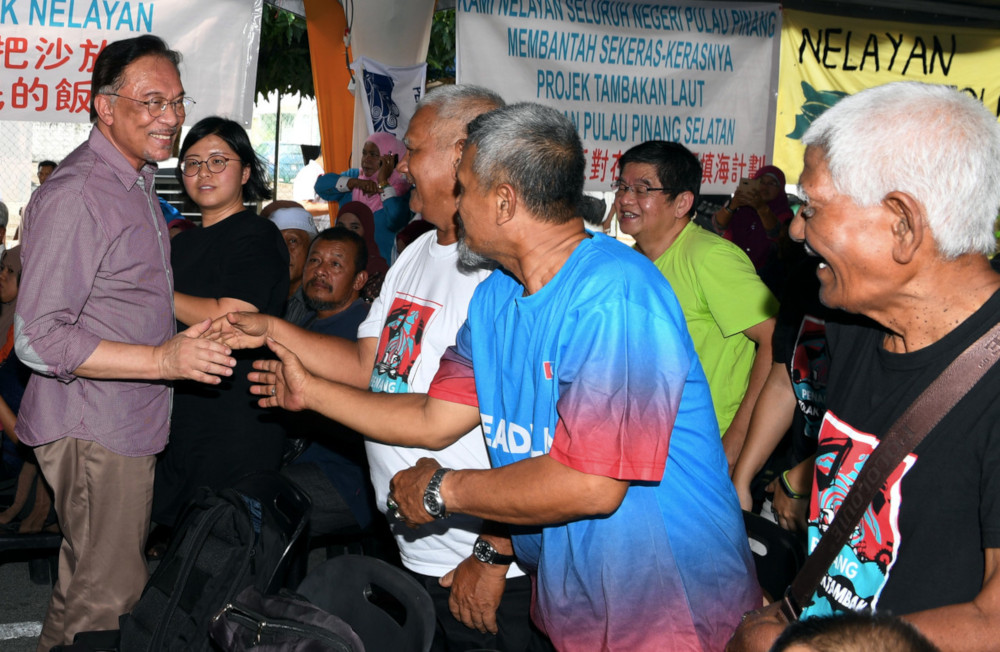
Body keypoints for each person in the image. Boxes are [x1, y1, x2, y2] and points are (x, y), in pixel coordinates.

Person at [248, 102, 761, 651]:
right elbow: (432, 415)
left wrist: (444, 490)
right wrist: (312, 391)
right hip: (575, 605)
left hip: (667, 612)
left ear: (504, 200)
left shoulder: (614, 295)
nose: (456, 207)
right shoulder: (497, 297)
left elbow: (593, 483)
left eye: (463, 189)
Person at [213, 86, 551, 652]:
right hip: (417, 545)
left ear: (465, 153)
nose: (399, 171)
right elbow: (371, 364)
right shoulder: (418, 250)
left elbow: (530, 436)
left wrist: (495, 553)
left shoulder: (508, 272)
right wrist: (270, 329)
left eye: (412, 152)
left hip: (484, 567)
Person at [728, 82, 1000, 652]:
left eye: (815, 208)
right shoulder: (852, 325)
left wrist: (802, 647)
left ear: (902, 223)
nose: (797, 229)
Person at [14, 35, 236, 649]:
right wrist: (164, 359)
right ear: (104, 107)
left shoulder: (133, 181)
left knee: (88, 586)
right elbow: (36, 337)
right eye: (153, 101)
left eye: (178, 101)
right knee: (108, 596)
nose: (171, 117)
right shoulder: (81, 193)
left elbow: (125, 297)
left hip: (120, 421)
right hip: (95, 427)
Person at [151, 116, 289, 531]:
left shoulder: (258, 235)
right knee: (182, 538)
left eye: (217, 161)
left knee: (225, 542)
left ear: (245, 171)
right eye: (192, 163)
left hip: (236, 411)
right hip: (185, 405)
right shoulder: (184, 242)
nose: (203, 173)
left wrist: (152, 292)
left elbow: (232, 317)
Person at [614, 140, 778, 470]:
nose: (625, 199)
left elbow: (775, 339)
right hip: (646, 447)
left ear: (682, 203)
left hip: (702, 450)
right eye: (621, 187)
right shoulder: (630, 260)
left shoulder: (709, 257)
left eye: (643, 189)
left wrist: (737, 439)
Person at [282, 227, 376, 535]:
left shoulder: (364, 332)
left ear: (359, 281)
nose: (320, 271)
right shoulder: (309, 320)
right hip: (302, 457)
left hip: (344, 476)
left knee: (259, 505)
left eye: (335, 264)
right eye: (315, 261)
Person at [315, 132, 411, 260]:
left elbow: (395, 219)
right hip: (343, 265)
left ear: (391, 160)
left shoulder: (403, 190)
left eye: (373, 155)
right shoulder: (355, 177)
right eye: (364, 153)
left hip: (380, 271)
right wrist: (355, 183)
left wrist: (383, 183)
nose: (366, 159)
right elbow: (320, 186)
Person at [712, 166, 794, 272]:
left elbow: (776, 233)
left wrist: (761, 207)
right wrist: (732, 206)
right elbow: (718, 225)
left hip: (767, 274)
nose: (765, 187)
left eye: (772, 183)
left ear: (781, 188)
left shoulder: (784, 212)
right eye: (761, 182)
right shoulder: (740, 205)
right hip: (730, 266)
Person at [269, 205, 319, 326]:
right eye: (276, 242)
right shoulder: (257, 294)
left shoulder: (319, 301)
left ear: (312, 249)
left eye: (293, 241)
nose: (283, 250)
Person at [335, 201, 388, 301]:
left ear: (367, 231)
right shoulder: (328, 261)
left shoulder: (376, 269)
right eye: (341, 227)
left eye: (354, 227)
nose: (346, 233)